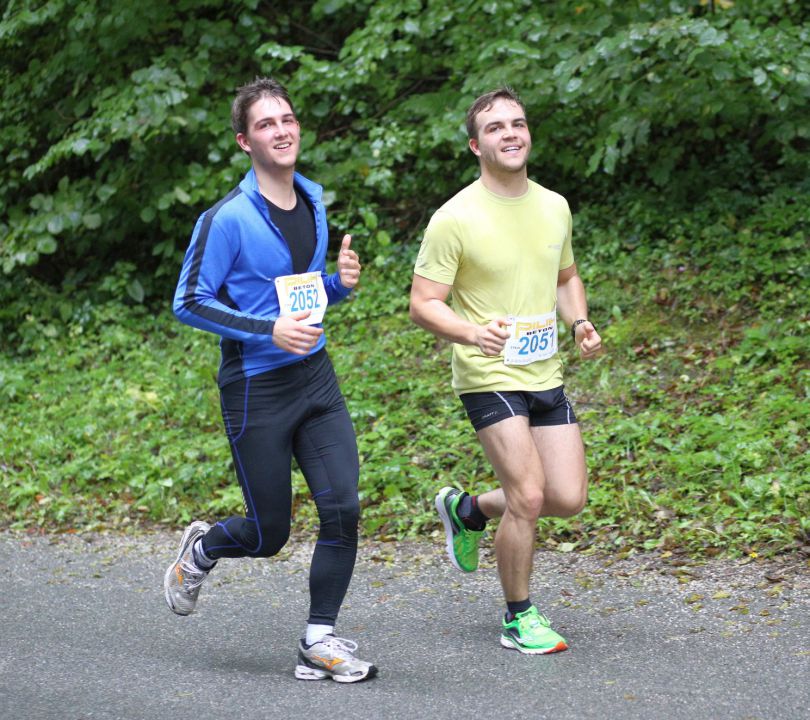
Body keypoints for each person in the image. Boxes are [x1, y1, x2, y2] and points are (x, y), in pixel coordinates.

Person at [164, 77, 377, 683]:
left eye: (287, 119)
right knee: (268, 533)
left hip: (317, 378)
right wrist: (267, 330)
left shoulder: (312, 198)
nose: (281, 130)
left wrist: (338, 285)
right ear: (243, 141)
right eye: (265, 124)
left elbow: (297, 296)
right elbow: (188, 301)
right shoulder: (225, 219)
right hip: (257, 386)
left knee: (343, 508)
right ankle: (204, 549)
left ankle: (319, 639)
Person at [409, 87, 602, 655]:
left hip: (545, 371)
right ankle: (519, 618)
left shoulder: (554, 205)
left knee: (565, 497)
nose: (511, 134)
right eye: (495, 128)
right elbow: (424, 303)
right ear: (476, 145)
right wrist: (472, 332)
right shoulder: (455, 218)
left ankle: (467, 509)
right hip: (487, 372)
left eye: (518, 124)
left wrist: (579, 322)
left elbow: (566, 277)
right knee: (528, 495)